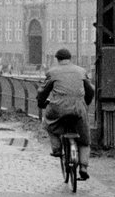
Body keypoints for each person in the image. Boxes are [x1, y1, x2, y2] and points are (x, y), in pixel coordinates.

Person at [36, 48, 95, 180]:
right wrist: (85, 103)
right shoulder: (81, 71)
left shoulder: (52, 72)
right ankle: (83, 167)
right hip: (78, 108)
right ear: (70, 58)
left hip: (58, 107)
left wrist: (41, 103)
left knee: (48, 124)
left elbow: (43, 91)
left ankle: (57, 149)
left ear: (57, 59)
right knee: (85, 139)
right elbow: (90, 90)